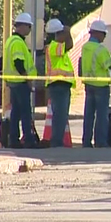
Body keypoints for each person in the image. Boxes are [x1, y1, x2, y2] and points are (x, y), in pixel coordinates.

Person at [3, 12, 39, 148]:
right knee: (25, 112)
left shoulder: (11, 40)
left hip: (13, 82)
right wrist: (27, 79)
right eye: (29, 26)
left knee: (16, 112)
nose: (29, 29)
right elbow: (18, 63)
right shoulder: (18, 43)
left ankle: (14, 139)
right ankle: (28, 140)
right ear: (22, 26)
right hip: (20, 82)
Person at [80, 19, 111, 148]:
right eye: (104, 34)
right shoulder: (101, 49)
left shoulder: (85, 47)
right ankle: (100, 142)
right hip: (101, 86)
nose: (104, 37)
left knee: (88, 115)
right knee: (102, 116)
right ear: (98, 33)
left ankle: (86, 142)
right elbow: (109, 65)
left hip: (89, 84)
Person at [44, 18, 75, 147]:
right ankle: (57, 141)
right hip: (58, 84)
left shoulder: (56, 47)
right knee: (60, 115)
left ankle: (57, 140)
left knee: (61, 115)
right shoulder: (54, 46)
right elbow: (70, 45)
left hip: (61, 84)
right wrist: (68, 32)